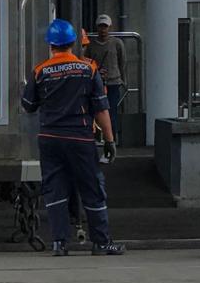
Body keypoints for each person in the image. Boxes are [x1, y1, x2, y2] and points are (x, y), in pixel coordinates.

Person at [21, 18, 125, 256]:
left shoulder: (40, 72)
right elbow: (101, 108)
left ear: (51, 45)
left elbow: (28, 105)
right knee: (91, 187)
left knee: (55, 188)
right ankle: (101, 242)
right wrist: (109, 140)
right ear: (73, 43)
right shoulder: (88, 70)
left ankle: (59, 242)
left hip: (49, 138)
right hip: (80, 139)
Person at [84, 14, 127, 139]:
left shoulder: (117, 43)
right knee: (96, 111)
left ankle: (112, 138)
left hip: (113, 82)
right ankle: (97, 136)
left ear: (110, 27)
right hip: (97, 82)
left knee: (111, 111)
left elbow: (122, 61)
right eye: (101, 26)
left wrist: (122, 79)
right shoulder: (91, 45)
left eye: (105, 27)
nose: (103, 30)